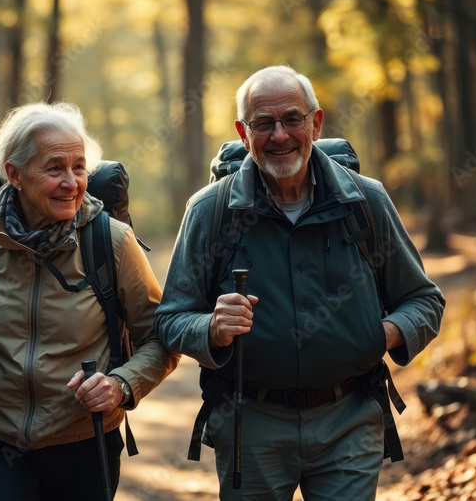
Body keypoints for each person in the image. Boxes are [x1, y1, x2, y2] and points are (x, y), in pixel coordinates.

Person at [155, 65, 445, 501]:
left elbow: (423, 300)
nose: (280, 136)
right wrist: (211, 329)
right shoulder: (210, 211)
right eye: (263, 123)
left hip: (349, 422)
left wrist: (379, 336)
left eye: (293, 119)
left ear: (316, 122)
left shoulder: (365, 201)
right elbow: (171, 319)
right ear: (242, 132)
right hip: (249, 425)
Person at [0, 101, 179, 500]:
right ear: (15, 175)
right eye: (55, 168)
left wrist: (120, 385)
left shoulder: (112, 241)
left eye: (79, 167)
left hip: (86, 441)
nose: (71, 182)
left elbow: (160, 338)